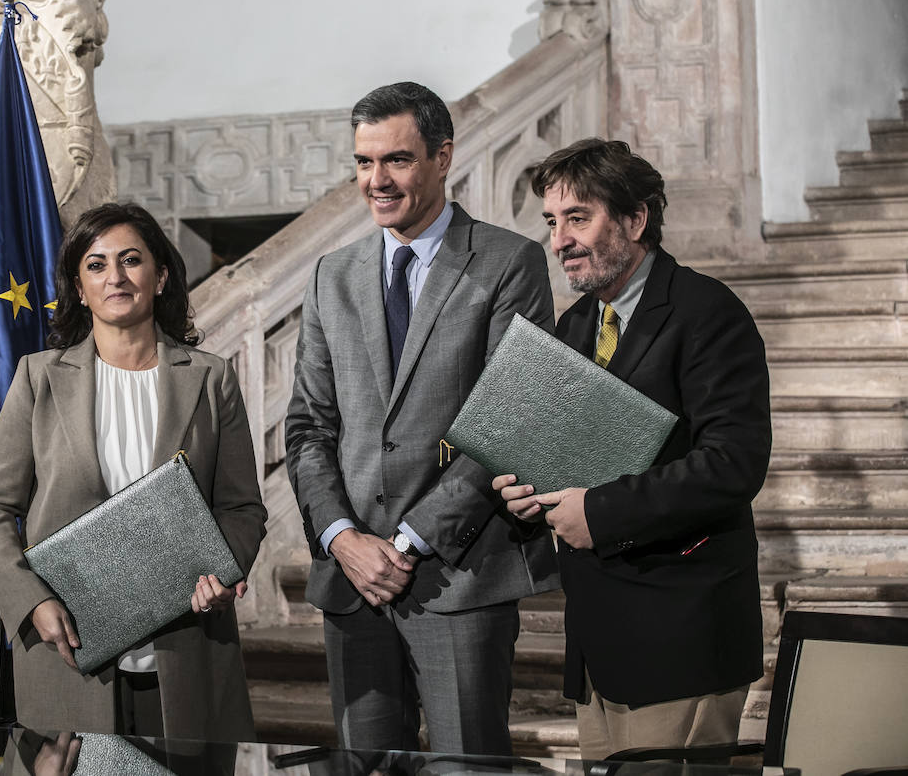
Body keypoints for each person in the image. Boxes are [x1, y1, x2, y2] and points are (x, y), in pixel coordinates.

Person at [285, 81, 560, 754]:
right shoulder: (330, 276)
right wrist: (343, 538)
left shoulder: (508, 262)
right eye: (363, 162)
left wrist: (406, 544)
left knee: (468, 768)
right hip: (351, 582)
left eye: (397, 160)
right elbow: (308, 429)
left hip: (458, 576)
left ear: (443, 157)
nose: (376, 181)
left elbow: (510, 421)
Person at [493, 138, 771, 759]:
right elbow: (566, 457)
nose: (559, 239)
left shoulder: (709, 312)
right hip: (600, 639)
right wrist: (524, 492)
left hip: (681, 633)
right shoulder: (573, 326)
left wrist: (598, 512)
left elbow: (734, 464)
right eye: (552, 222)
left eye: (578, 218)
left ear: (636, 218)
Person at [0, 202, 268, 741]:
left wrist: (223, 574)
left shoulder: (211, 377)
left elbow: (241, 506)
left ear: (161, 276)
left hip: (188, 650)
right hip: (67, 654)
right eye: (97, 265)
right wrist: (31, 600)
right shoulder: (39, 378)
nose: (116, 277)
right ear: (80, 288)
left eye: (131, 260)